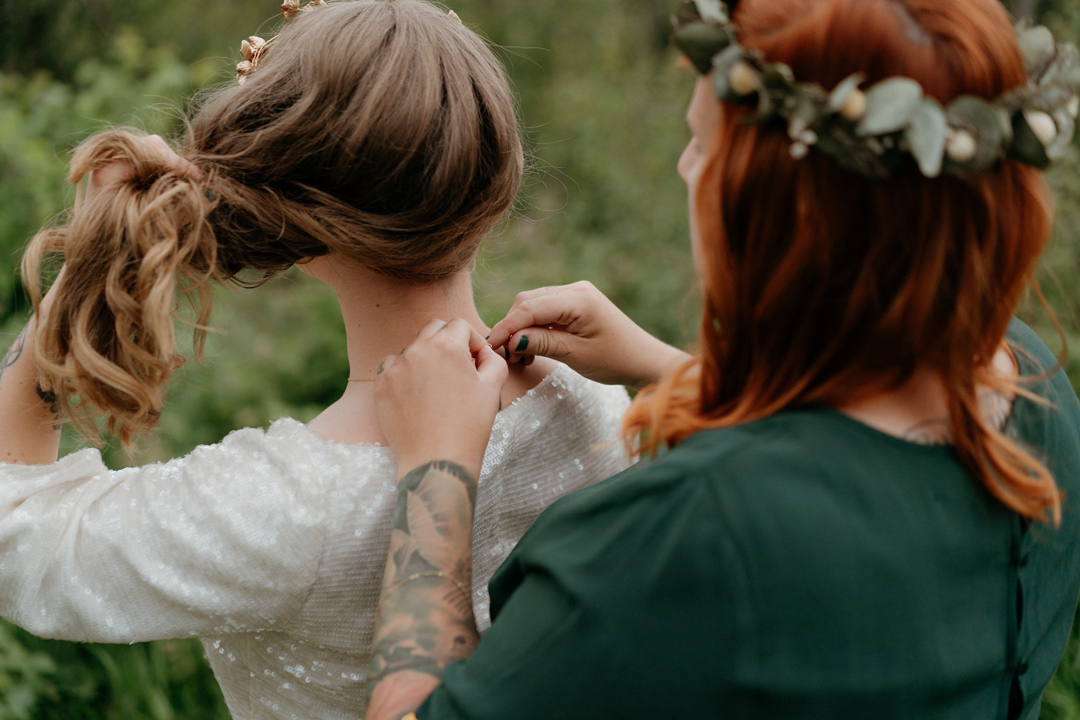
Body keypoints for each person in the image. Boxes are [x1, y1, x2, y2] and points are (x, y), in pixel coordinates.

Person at [361, 0, 1080, 718]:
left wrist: (438, 466)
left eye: (703, 144)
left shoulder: (687, 537)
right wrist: (664, 364)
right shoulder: (1031, 385)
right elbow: (857, 463)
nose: (684, 166)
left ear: (788, 219)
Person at [0, 2, 631, 718]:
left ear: (289, 221)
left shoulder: (286, 505)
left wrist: (85, 272)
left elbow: (12, 525)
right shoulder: (607, 405)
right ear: (498, 180)